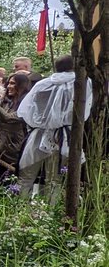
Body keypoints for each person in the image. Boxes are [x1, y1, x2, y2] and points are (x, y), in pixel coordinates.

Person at [16, 54, 89, 201]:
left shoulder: (43, 84)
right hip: (59, 134)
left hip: (42, 134)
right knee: (53, 179)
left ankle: (21, 208)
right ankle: (49, 212)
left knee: (27, 176)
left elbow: (27, 111)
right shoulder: (81, 84)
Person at [0, 71, 32, 178]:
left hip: (12, 152)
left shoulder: (27, 105)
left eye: (13, 83)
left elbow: (7, 118)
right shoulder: (6, 101)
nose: (9, 86)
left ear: (21, 85)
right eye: (8, 83)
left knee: (9, 184)